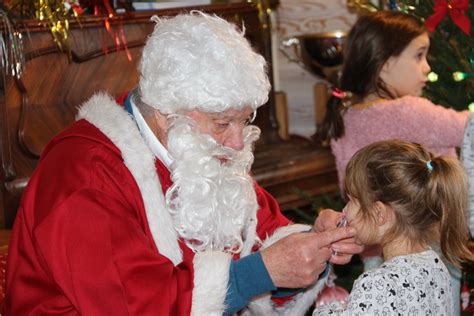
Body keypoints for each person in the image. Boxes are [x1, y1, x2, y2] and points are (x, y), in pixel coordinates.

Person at [4, 12, 363, 315]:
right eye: (223, 122)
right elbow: (131, 306)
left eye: (245, 119)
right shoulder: (83, 173)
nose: (238, 142)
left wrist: (312, 246)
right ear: (165, 112)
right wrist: (257, 275)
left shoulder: (201, 149)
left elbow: (264, 239)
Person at [314, 11, 470, 312]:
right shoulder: (411, 110)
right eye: (419, 56)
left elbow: (350, 188)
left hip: (376, 250)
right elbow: (469, 127)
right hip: (429, 249)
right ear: (384, 65)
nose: (427, 68)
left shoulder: (343, 118)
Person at [313, 139, 474, 315]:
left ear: (379, 213)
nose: (344, 210)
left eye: (352, 200)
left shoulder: (377, 285)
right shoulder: (437, 267)